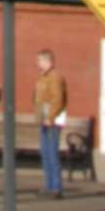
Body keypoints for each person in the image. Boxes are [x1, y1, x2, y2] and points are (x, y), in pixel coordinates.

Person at [32, 48, 69, 197]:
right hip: (44, 119)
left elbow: (58, 99)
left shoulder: (55, 77)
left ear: (47, 61)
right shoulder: (43, 77)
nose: (37, 63)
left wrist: (50, 117)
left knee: (52, 153)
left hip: (52, 120)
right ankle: (49, 185)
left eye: (39, 60)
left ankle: (56, 187)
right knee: (45, 152)